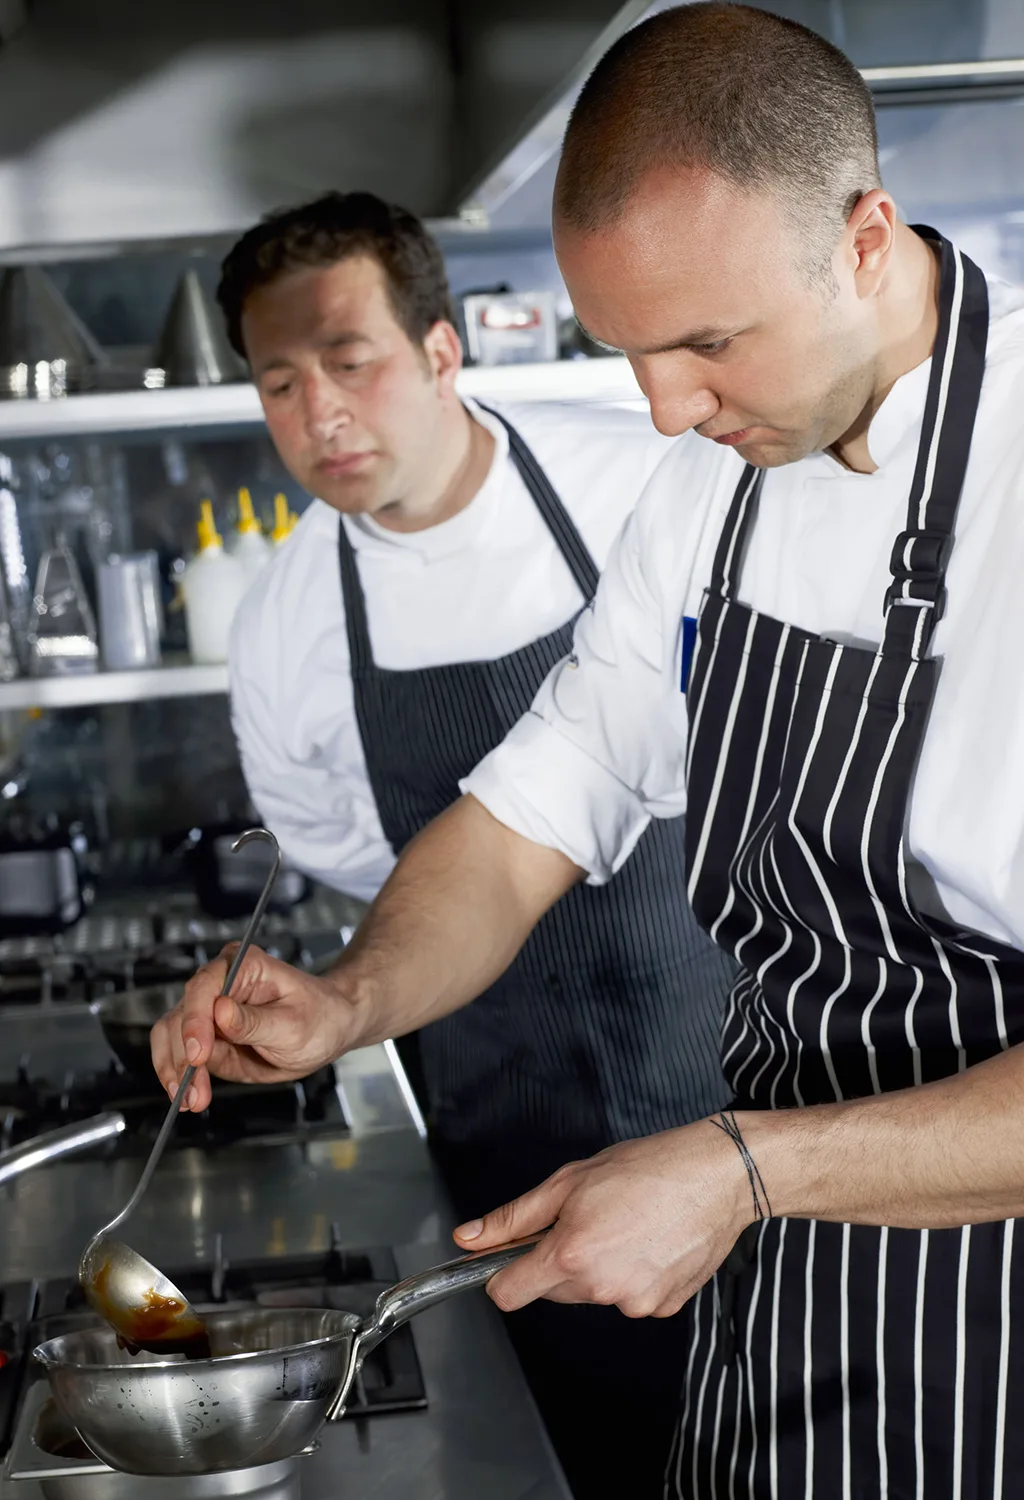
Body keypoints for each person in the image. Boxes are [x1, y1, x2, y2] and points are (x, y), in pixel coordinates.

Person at [151, 5, 1024, 1492]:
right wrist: (349, 995)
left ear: (865, 238)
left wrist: (746, 1167)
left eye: (705, 342)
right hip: (770, 1279)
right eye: (629, 352)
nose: (666, 407)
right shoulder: (713, 489)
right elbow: (528, 813)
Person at [190, 191, 737, 1498]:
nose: (318, 416)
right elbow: (341, 846)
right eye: (278, 383)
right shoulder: (286, 622)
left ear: (442, 353)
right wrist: (356, 989)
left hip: (735, 1079)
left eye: (351, 363)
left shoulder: (643, 484)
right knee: (563, 1452)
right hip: (494, 1120)